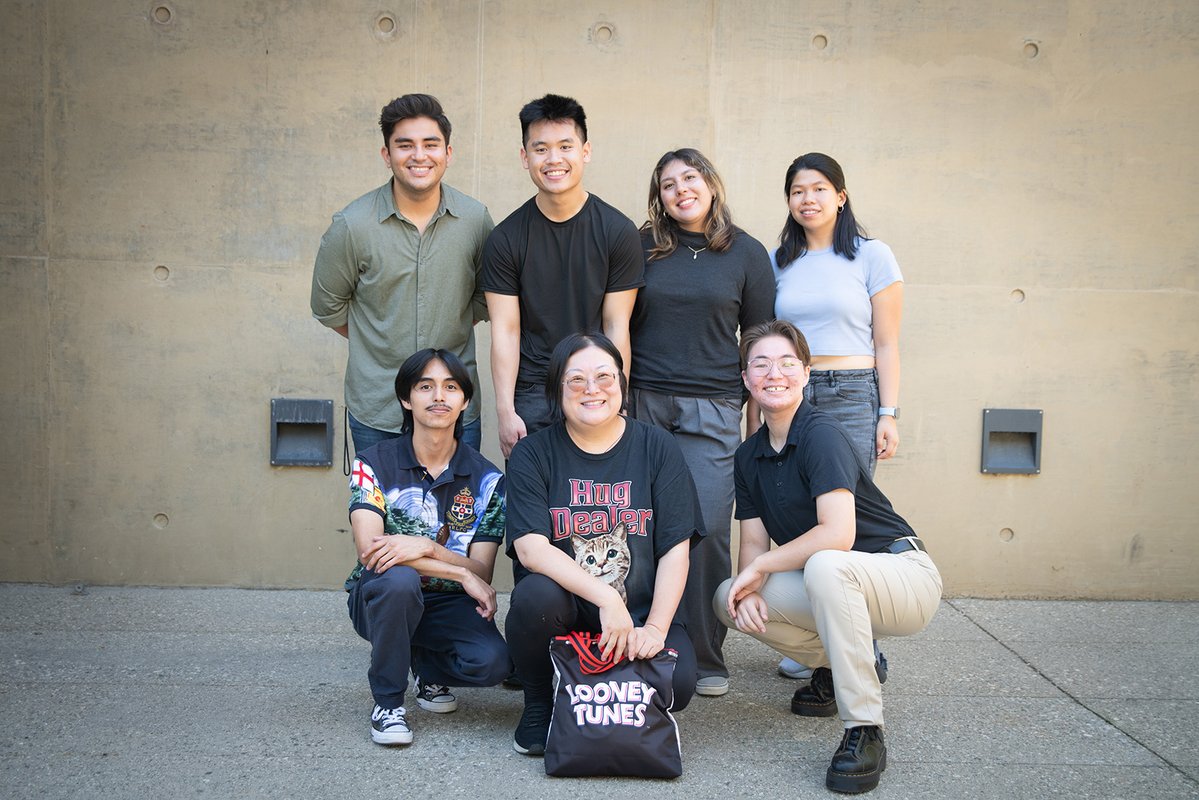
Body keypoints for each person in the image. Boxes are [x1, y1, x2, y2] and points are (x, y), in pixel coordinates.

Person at [714, 321, 941, 794]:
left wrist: (759, 569)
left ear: (805, 373)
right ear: (745, 378)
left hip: (903, 575)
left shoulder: (821, 434)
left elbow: (839, 533)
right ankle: (845, 664)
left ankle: (865, 729)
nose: (773, 373)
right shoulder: (749, 455)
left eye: (786, 363)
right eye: (760, 363)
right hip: (837, 583)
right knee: (728, 598)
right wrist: (749, 579)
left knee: (823, 563)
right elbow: (754, 545)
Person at [503, 333, 704, 756]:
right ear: (557, 390)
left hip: (640, 614)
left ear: (622, 384)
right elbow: (531, 549)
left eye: (603, 377)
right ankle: (540, 700)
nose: (591, 389)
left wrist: (656, 628)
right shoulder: (532, 454)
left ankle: (585, 688)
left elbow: (675, 546)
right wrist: (606, 600)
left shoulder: (657, 447)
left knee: (681, 684)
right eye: (575, 380)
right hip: (565, 615)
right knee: (535, 595)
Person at [629, 148, 774, 698]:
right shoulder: (641, 248)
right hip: (643, 402)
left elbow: (758, 343)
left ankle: (709, 655)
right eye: (668, 184)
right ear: (658, 196)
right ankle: (647, 639)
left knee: (709, 528)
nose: (680, 190)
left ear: (711, 183)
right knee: (641, 525)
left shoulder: (747, 254)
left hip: (713, 407)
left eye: (690, 178)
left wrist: (759, 426)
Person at [770, 152, 904, 682]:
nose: (809, 199)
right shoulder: (779, 260)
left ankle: (861, 640)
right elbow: (765, 340)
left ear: (841, 196)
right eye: (798, 190)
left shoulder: (873, 256)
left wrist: (888, 412)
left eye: (820, 188)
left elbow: (888, 344)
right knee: (798, 514)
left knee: (847, 521)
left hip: (852, 391)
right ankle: (813, 638)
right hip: (790, 394)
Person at [343, 348, 510, 746]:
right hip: (380, 596)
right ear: (406, 398)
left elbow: (482, 571)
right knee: (399, 580)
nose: (439, 396)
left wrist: (424, 548)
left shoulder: (488, 480)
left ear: (465, 401)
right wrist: (452, 567)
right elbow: (372, 552)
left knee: (494, 664)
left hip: (446, 604)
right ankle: (388, 702)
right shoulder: (373, 463)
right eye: (426, 386)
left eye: (451, 387)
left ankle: (425, 664)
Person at [311, 93, 493, 453]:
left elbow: (485, 298)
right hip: (378, 408)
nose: (419, 156)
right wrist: (378, 340)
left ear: (448, 153)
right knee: (376, 511)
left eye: (431, 144)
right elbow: (328, 307)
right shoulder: (353, 225)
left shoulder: (476, 220)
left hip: (454, 409)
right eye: (404, 145)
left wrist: (447, 328)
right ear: (387, 155)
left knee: (459, 510)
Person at [482, 93, 644, 459]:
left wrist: (617, 398)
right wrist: (506, 411)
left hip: (595, 388)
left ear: (585, 151)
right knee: (533, 508)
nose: (554, 159)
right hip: (534, 391)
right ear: (525, 157)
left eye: (565, 146)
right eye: (541, 149)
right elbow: (505, 329)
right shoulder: (505, 239)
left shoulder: (618, 231)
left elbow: (617, 324)